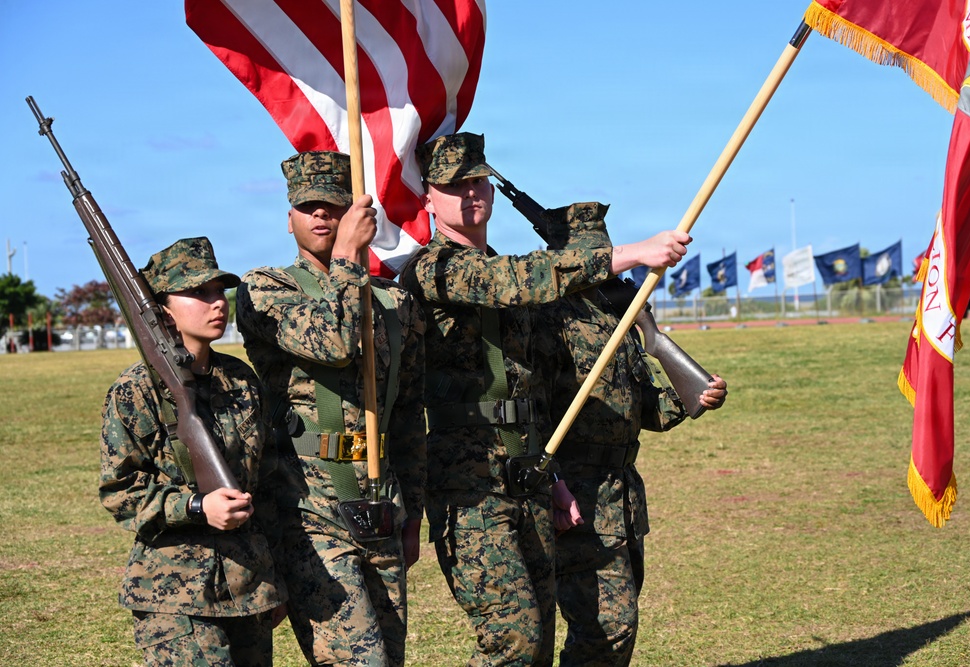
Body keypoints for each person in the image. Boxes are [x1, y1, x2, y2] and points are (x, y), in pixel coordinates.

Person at [398, 132, 691, 666]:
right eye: (454, 186)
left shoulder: (509, 277)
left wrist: (554, 480)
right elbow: (514, 279)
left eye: (479, 182)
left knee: (540, 645)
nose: (470, 195)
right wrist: (628, 254)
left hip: (529, 477)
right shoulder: (433, 269)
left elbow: (531, 389)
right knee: (514, 642)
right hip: (470, 488)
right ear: (427, 199)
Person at [236, 151, 427, 666]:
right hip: (308, 508)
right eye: (308, 207)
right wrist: (347, 256)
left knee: (389, 657)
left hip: (382, 504)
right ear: (290, 217)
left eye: (333, 207)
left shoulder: (394, 304)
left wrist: (413, 513)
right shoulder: (265, 290)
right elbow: (335, 342)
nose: (321, 217)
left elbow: (407, 413)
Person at [98, 237, 286, 667]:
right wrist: (196, 506)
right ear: (162, 310)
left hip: (249, 587)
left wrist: (275, 578)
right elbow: (121, 491)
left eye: (220, 290)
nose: (217, 302)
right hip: (174, 595)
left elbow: (271, 480)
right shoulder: (135, 392)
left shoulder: (241, 380)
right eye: (198, 293)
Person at [534, 281, 727, 666]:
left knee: (615, 628)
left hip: (621, 498)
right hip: (576, 496)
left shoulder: (615, 324)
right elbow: (534, 417)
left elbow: (645, 407)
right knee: (606, 629)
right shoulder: (549, 318)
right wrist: (554, 482)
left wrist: (694, 396)